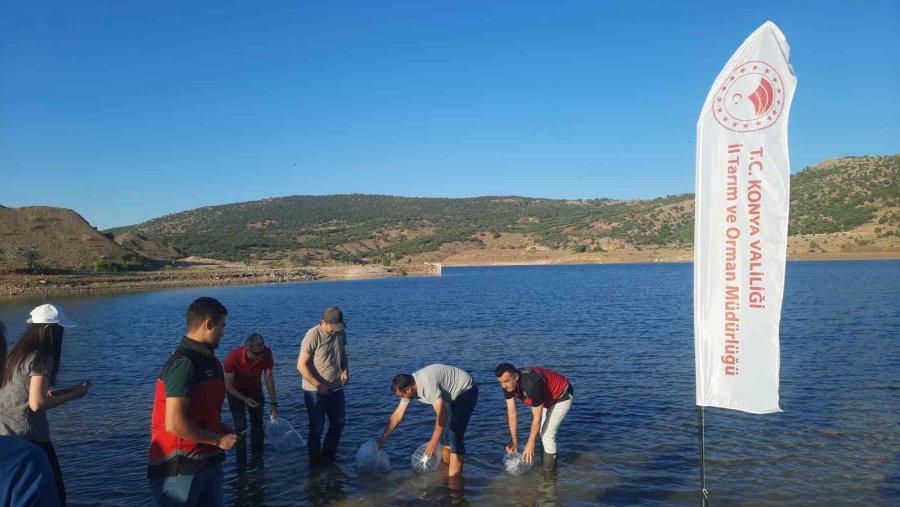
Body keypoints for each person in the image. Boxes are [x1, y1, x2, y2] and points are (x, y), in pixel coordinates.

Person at [148, 297, 238, 506]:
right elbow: (175, 424)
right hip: (180, 470)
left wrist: (221, 429)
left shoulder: (211, 362)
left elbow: (203, 411)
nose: (224, 332)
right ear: (208, 324)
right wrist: (218, 440)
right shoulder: (183, 365)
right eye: (222, 326)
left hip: (209, 462)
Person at [0, 305, 90, 506]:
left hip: (5, 433)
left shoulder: (15, 353)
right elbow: (36, 403)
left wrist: (58, 394)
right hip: (30, 436)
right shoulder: (42, 356)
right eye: (60, 328)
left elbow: (23, 393)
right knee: (56, 494)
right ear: (49, 329)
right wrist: (75, 394)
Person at [376, 364, 478, 477]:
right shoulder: (408, 387)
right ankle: (447, 469)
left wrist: (433, 441)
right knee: (444, 437)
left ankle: (455, 477)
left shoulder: (427, 385)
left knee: (454, 434)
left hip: (466, 390)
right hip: (450, 397)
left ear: (408, 389)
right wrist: (382, 439)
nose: (401, 398)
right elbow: (398, 415)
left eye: (401, 395)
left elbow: (441, 415)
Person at [495, 363, 574, 471]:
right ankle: (544, 465)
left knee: (547, 436)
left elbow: (537, 418)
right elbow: (512, 413)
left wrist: (530, 443)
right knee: (541, 432)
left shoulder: (534, 385)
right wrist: (514, 440)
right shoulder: (507, 385)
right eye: (501, 382)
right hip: (546, 397)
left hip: (562, 395)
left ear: (516, 377)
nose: (503, 386)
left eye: (506, 381)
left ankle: (549, 476)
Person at [297, 307, 349, 465]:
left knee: (338, 424)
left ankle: (329, 457)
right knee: (317, 428)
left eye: (338, 327)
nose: (335, 331)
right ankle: (315, 463)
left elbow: (342, 352)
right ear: (323, 322)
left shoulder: (339, 332)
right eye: (332, 327)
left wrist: (346, 370)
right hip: (314, 391)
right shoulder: (312, 335)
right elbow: (301, 365)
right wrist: (319, 386)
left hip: (336, 387)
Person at [224, 332, 277, 467]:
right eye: (256, 354)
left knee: (258, 426)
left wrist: (273, 402)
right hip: (236, 393)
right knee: (241, 427)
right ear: (247, 349)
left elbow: (269, 378)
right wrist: (243, 399)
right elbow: (228, 385)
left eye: (261, 353)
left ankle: (258, 460)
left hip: (255, 391)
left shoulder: (267, 353)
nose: (259, 358)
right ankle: (241, 462)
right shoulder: (232, 358)